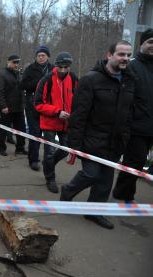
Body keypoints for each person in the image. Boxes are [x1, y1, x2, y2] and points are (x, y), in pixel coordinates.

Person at [60, 40, 135, 229]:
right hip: (92, 140)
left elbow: (130, 111)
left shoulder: (130, 80)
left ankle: (94, 212)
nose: (125, 58)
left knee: (105, 181)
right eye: (121, 54)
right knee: (91, 174)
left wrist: (125, 136)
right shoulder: (90, 80)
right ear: (109, 55)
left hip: (115, 142)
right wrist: (74, 144)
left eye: (128, 55)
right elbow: (79, 114)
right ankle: (67, 192)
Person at [112, 29, 153, 202]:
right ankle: (123, 194)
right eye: (151, 42)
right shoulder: (132, 66)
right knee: (135, 161)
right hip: (137, 126)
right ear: (142, 43)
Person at [35, 52, 78, 193]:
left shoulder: (73, 78)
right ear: (56, 65)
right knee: (49, 152)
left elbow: (79, 99)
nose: (63, 70)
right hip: (50, 122)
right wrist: (57, 112)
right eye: (61, 67)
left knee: (66, 148)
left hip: (66, 123)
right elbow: (38, 104)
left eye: (66, 67)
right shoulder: (47, 80)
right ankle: (50, 178)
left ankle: (49, 164)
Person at [22, 45, 53, 171]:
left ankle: (44, 159)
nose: (40, 58)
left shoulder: (53, 69)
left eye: (43, 55)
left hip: (48, 106)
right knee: (35, 133)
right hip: (32, 105)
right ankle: (33, 159)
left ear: (48, 57)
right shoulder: (30, 69)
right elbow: (23, 85)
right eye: (39, 55)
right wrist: (39, 83)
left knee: (46, 134)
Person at [0, 55, 27, 156]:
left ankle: (20, 148)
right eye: (14, 62)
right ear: (8, 62)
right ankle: (1, 147)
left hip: (19, 107)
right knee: (4, 129)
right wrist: (3, 106)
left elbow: (21, 89)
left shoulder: (18, 74)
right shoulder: (1, 74)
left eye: (17, 62)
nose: (16, 64)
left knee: (21, 129)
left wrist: (24, 103)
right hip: (7, 108)